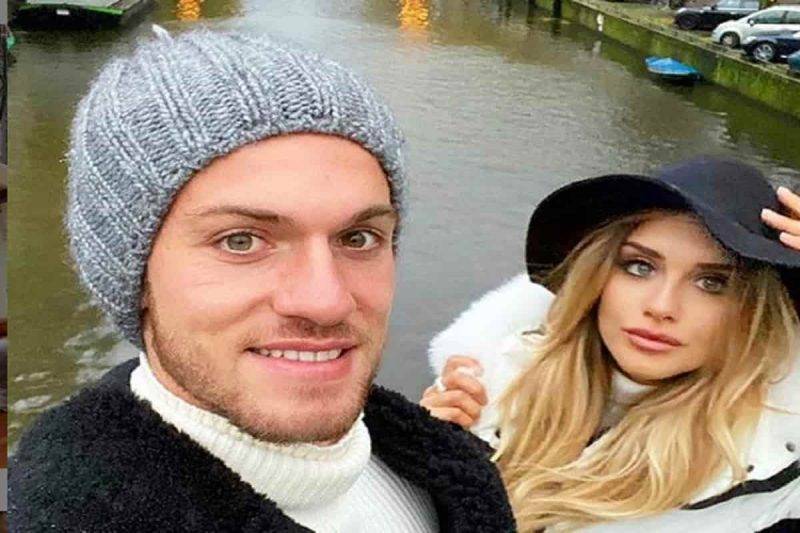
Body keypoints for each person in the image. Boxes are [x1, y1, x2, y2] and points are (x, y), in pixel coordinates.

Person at [9, 28, 515, 532]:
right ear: (134, 278)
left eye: (358, 238)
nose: (325, 301)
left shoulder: (440, 475)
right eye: (241, 241)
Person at [423, 156, 800, 532]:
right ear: (598, 275)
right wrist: (414, 464)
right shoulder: (488, 389)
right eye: (640, 266)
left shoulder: (774, 494)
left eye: (713, 283)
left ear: (757, 311)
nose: (661, 307)